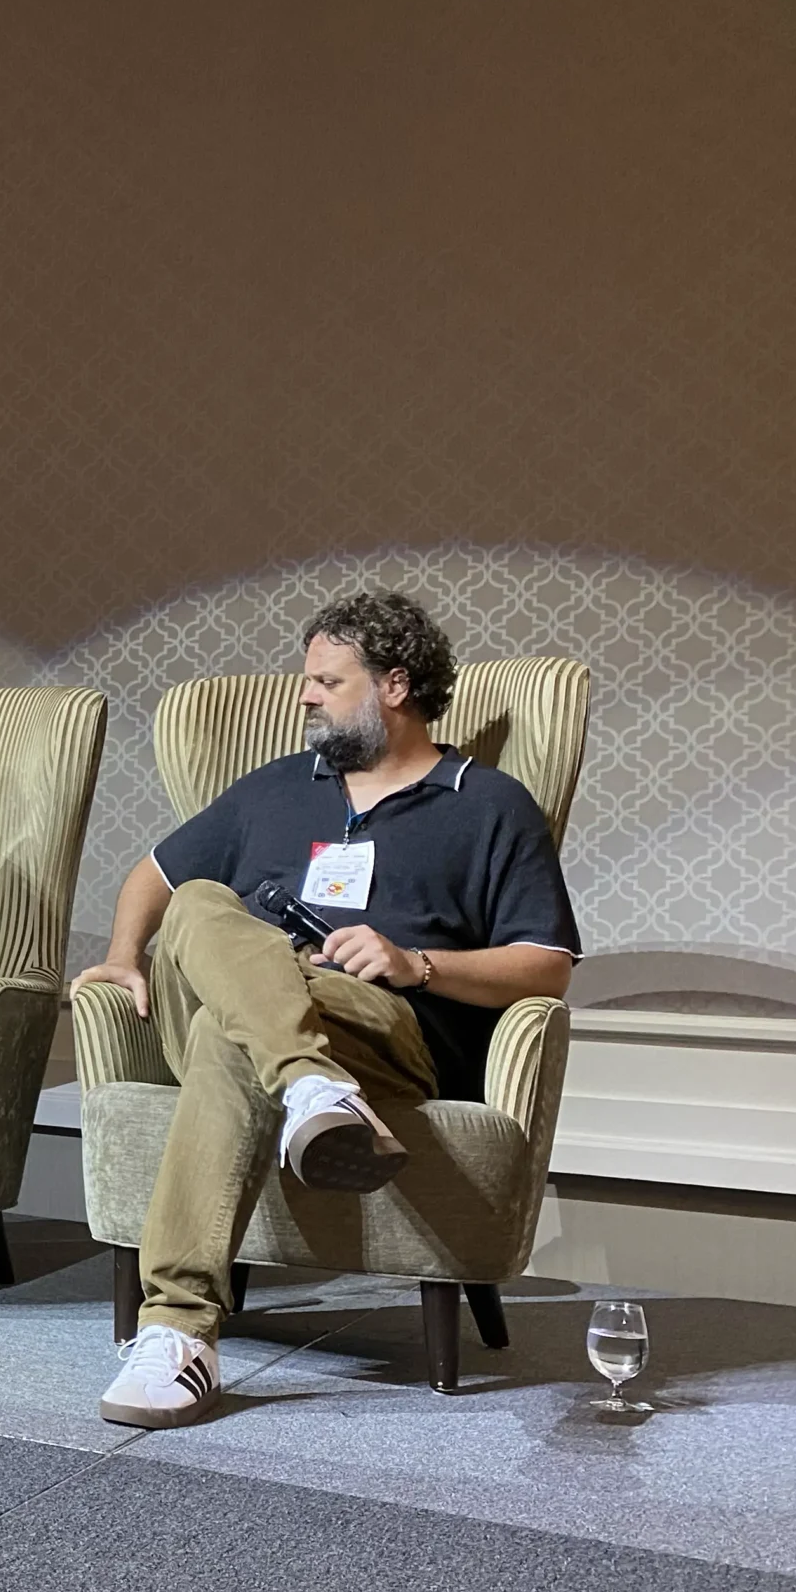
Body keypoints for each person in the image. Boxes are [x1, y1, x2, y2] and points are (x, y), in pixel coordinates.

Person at [77, 591, 581, 1428]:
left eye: (325, 680)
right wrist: (124, 959)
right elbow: (154, 880)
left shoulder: (490, 804)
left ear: (394, 684)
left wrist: (415, 962)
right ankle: (310, 1085)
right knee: (202, 901)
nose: (304, 697)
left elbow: (546, 968)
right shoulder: (276, 787)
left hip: (382, 1025)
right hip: (261, 1011)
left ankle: (174, 1330)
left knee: (225, 1028)